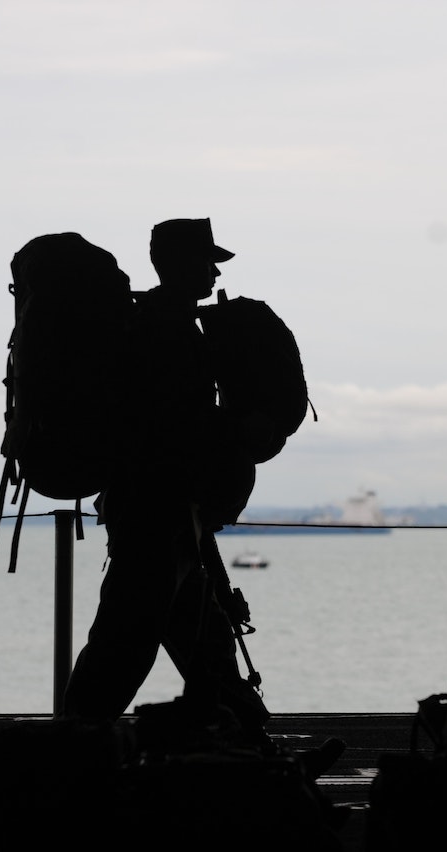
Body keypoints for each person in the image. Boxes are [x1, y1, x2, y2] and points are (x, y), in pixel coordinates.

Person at [60, 219, 272, 746]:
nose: (215, 270)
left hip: (170, 513)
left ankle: (253, 746)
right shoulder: (164, 329)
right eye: (207, 259)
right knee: (126, 643)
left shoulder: (166, 323)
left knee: (206, 643)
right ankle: (72, 752)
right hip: (158, 512)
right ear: (179, 264)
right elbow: (171, 425)